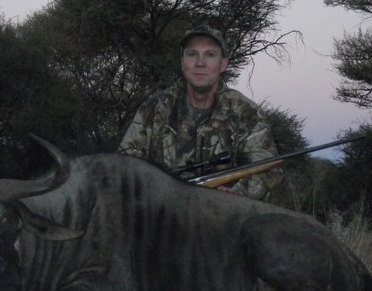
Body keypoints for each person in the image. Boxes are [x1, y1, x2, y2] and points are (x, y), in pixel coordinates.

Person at [118, 25, 282, 200]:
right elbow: (125, 163)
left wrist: (239, 194)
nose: (200, 63)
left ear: (223, 64)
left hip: (224, 214)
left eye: (210, 55)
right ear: (182, 63)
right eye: (192, 54)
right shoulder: (154, 108)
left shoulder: (247, 113)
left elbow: (267, 170)